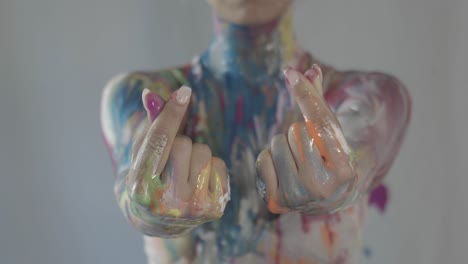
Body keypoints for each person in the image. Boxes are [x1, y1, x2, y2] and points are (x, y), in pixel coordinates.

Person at [100, 0, 411, 263]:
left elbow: (357, 154)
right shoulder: (134, 97)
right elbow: (132, 184)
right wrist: (142, 203)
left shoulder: (368, 99)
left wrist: (345, 175)